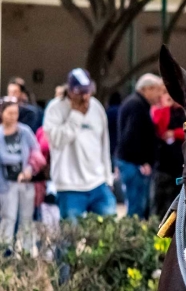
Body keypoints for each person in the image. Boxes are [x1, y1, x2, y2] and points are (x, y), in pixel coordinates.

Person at [43, 68, 115, 221]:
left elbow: (104, 144)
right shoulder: (54, 109)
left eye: (87, 92)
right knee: (70, 238)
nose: (85, 97)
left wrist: (108, 178)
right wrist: (76, 116)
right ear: (69, 90)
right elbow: (56, 141)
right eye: (80, 92)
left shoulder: (96, 108)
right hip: (69, 185)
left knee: (110, 231)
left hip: (97, 182)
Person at [117, 73, 163, 218]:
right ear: (147, 89)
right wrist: (142, 161)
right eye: (158, 90)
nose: (160, 95)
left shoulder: (138, 104)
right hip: (135, 165)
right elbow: (132, 137)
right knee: (136, 208)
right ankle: (132, 238)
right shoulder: (136, 105)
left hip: (134, 164)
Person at [0, 97, 41, 251]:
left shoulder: (25, 131)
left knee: (26, 220)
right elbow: (2, 157)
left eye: (15, 113)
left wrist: (29, 169)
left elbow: (36, 152)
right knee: (8, 218)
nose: (13, 116)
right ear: (2, 113)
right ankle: (5, 253)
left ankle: (26, 252)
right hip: (6, 184)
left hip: (25, 182)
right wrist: (16, 159)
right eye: (9, 113)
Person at [150, 91, 186, 218]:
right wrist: (165, 106)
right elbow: (160, 129)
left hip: (180, 165)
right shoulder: (160, 111)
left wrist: (174, 133)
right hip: (164, 166)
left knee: (178, 203)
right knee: (160, 203)